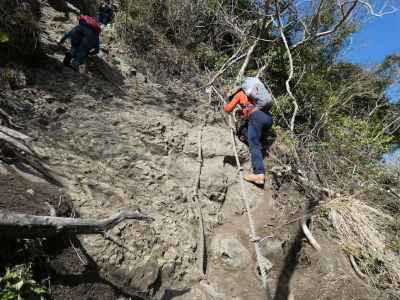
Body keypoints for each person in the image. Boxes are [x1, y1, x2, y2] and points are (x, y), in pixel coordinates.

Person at [224, 78, 273, 185]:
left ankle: (259, 174)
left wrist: (224, 105)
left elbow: (228, 109)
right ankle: (260, 146)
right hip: (268, 119)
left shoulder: (239, 94)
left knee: (253, 142)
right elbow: (249, 109)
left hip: (257, 117)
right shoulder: (252, 96)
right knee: (244, 130)